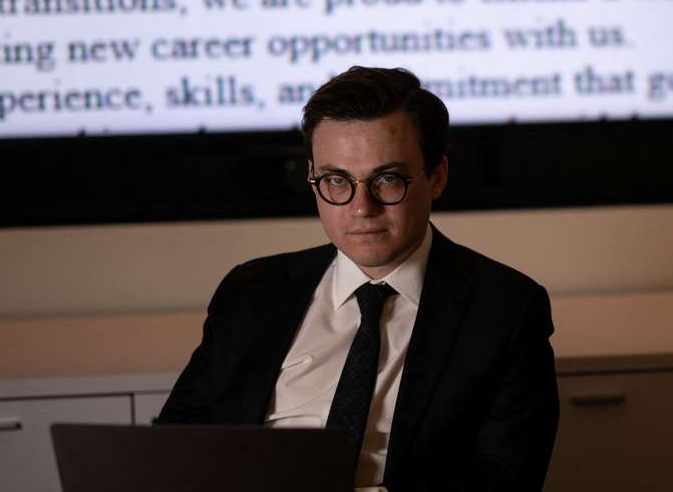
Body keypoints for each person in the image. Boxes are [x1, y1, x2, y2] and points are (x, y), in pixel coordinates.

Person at [157, 66, 559, 491]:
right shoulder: (252, 292)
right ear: (313, 180)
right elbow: (176, 446)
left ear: (436, 176)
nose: (361, 207)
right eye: (337, 181)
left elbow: (507, 479)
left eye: (386, 179)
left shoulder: (505, 309)